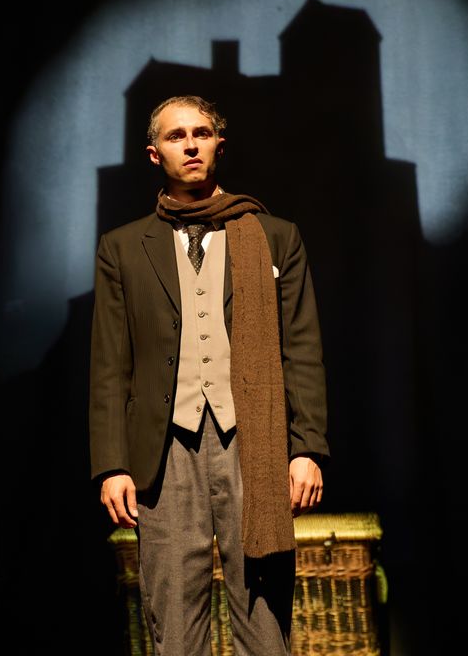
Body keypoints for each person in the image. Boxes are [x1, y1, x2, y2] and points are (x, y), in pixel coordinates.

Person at [89, 95, 330, 655]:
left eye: (201, 133)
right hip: (164, 449)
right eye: (176, 136)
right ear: (155, 154)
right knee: (173, 614)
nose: (191, 144)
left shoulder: (275, 236)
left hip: (255, 442)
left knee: (264, 617)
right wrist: (112, 464)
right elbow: (108, 366)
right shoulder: (123, 248)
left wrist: (306, 448)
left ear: (220, 144)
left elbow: (302, 350)